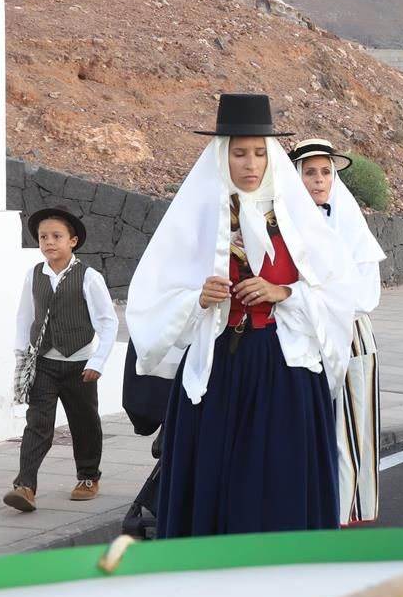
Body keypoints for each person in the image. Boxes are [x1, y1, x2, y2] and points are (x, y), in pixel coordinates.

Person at [129, 94, 359, 536]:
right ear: (223, 156)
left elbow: (339, 290)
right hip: (220, 369)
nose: (250, 164)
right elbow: (153, 294)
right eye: (239, 153)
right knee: (219, 476)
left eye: (258, 152)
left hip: (283, 369)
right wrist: (197, 298)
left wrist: (284, 292)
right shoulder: (198, 218)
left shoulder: (295, 217)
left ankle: (282, 565)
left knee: (279, 477)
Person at [290, 136, 389, 523]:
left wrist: (317, 299)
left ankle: (343, 508)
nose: (318, 180)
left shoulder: (350, 225)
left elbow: (364, 293)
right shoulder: (282, 224)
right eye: (310, 172)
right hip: (300, 333)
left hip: (349, 335)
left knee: (348, 424)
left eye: (325, 172)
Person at [6, 208, 120, 511]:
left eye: (56, 236)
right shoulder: (34, 275)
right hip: (43, 362)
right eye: (43, 237)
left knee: (84, 423)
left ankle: (88, 477)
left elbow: (108, 322)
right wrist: (22, 356)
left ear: (73, 241)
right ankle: (25, 486)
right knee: (38, 423)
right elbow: (24, 318)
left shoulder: (89, 277)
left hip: (79, 366)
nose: (49, 242)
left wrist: (97, 361)